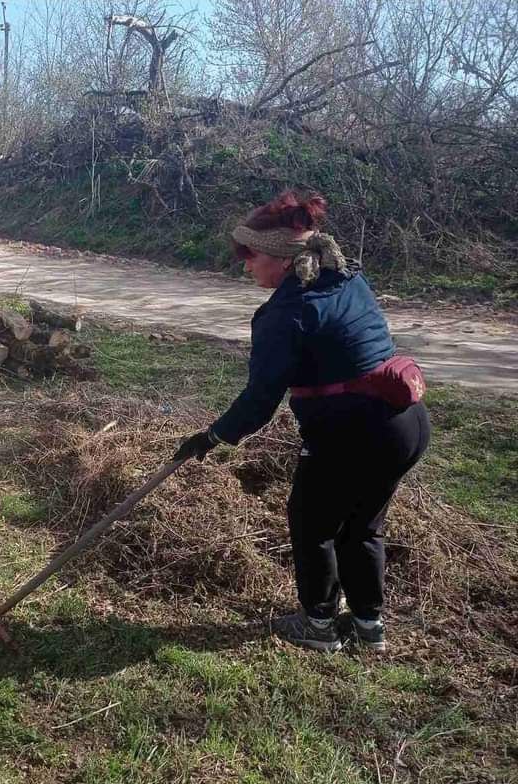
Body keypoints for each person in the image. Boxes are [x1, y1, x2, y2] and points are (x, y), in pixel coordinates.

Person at [173, 191, 430, 653]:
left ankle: (318, 626)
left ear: (283, 259)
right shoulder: (345, 276)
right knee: (362, 527)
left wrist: (212, 436)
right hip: (404, 425)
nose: (245, 266)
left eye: (250, 257)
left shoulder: (286, 314)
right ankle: (369, 627)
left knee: (312, 525)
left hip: (351, 434)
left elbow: (260, 399)